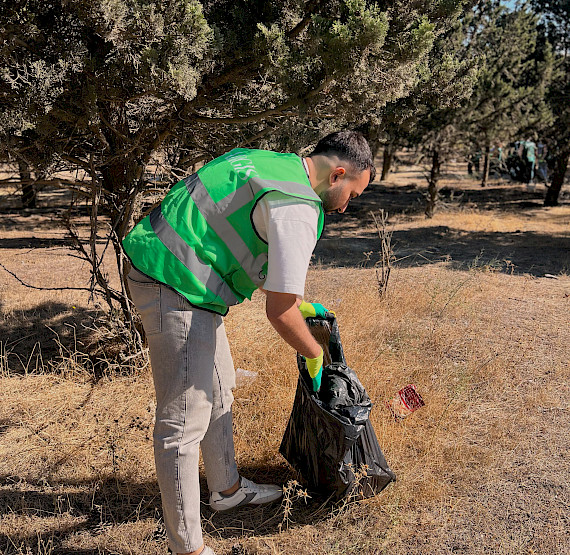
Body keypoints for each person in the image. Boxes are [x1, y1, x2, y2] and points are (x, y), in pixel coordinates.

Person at [122, 130, 376, 555]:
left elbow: (237, 233)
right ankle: (187, 548)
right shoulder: (298, 208)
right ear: (338, 174)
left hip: (174, 268)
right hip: (175, 282)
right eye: (353, 192)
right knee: (183, 422)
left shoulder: (274, 165)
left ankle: (227, 490)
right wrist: (314, 353)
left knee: (219, 389)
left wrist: (299, 302)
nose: (349, 205)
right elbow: (278, 312)